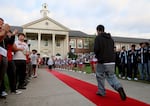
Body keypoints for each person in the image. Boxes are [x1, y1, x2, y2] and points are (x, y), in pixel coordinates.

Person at [94, 24, 126, 101]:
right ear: (103, 29)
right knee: (111, 76)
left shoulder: (98, 38)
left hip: (102, 61)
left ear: (98, 30)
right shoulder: (111, 39)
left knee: (100, 76)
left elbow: (96, 49)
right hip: (111, 61)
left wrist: (97, 56)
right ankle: (119, 87)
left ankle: (101, 92)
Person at [0, 18, 10, 98]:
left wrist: (6, 32)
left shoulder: (3, 31)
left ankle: (1, 90)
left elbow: (4, 40)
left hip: (3, 53)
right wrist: (5, 31)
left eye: (2, 24)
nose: (1, 25)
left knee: (2, 73)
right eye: (0, 23)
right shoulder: (3, 31)